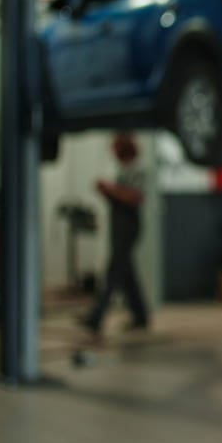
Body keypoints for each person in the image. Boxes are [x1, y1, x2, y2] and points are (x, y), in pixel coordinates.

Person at [80, 132, 149, 340]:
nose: (112, 152)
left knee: (113, 273)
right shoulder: (123, 170)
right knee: (127, 275)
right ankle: (141, 315)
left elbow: (135, 197)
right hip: (120, 226)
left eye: (115, 148)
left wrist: (112, 189)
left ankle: (96, 317)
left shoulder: (138, 169)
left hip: (128, 227)